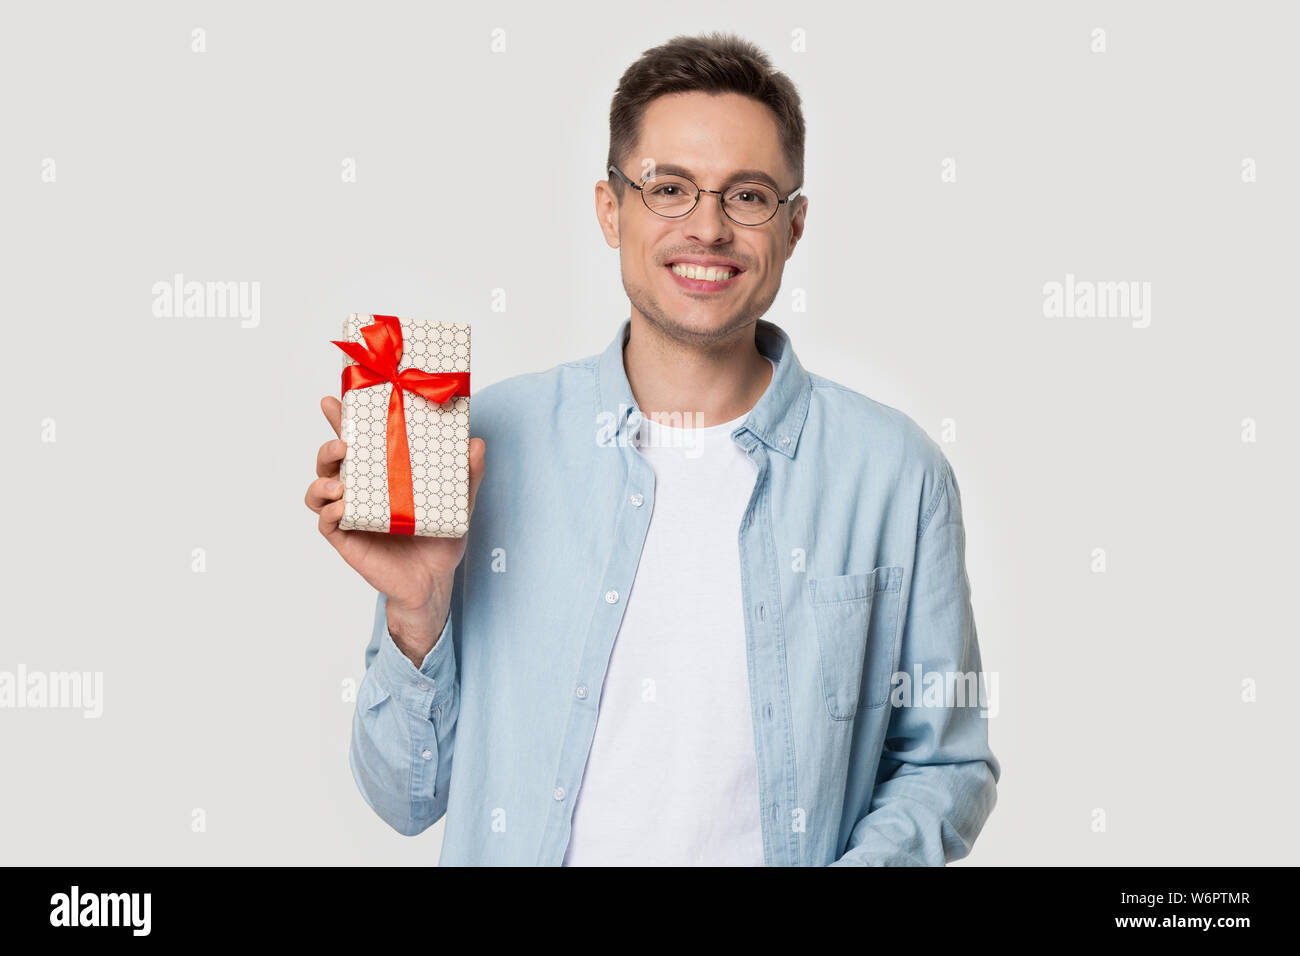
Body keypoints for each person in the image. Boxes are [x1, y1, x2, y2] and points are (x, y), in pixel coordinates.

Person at [305, 32, 999, 866]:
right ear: (611, 208)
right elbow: (405, 798)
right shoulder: (483, 443)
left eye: (747, 196)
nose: (707, 228)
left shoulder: (897, 475)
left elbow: (945, 764)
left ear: (794, 224)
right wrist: (417, 616)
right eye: (669, 189)